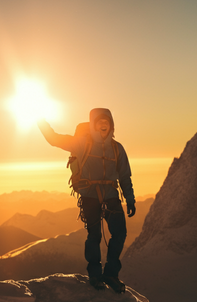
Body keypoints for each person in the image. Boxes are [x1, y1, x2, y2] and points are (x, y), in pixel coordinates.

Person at [38, 108, 136, 292]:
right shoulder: (81, 143)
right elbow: (54, 139)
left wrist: (130, 198)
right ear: (92, 125)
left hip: (111, 195)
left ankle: (110, 274)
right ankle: (96, 275)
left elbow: (124, 176)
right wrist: (40, 120)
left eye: (106, 122)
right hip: (90, 195)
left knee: (120, 233)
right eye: (99, 122)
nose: (103, 124)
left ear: (112, 125)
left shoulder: (117, 149)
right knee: (95, 236)